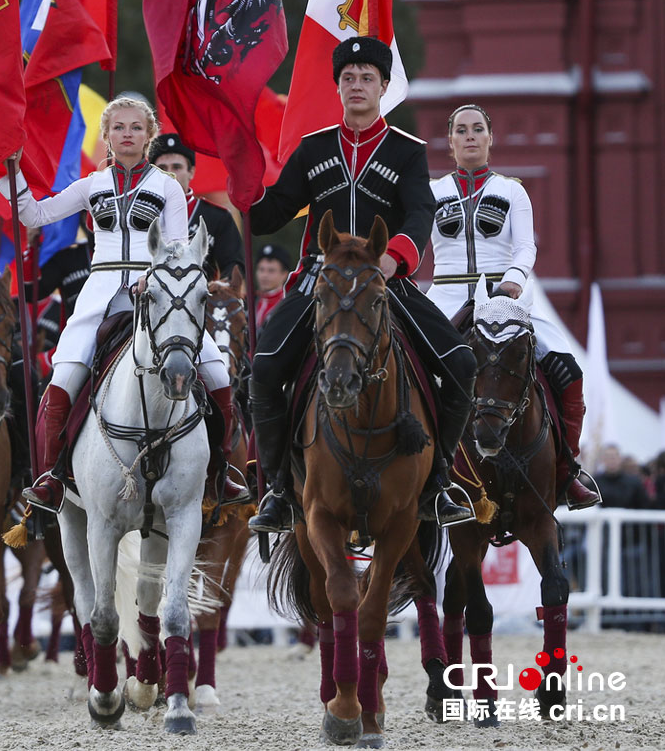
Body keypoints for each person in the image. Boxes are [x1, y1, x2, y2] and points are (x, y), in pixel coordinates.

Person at [246, 37, 477, 532]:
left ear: (384, 86)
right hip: (319, 280)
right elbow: (269, 216)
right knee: (263, 369)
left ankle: (438, 483)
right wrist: (244, 181)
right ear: (338, 86)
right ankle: (279, 492)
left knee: (461, 364)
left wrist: (397, 256)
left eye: (366, 78)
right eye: (348, 78)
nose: (357, 86)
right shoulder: (313, 149)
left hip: (383, 280)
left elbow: (420, 211)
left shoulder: (407, 151)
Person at [0, 96, 247, 513]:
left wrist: (155, 275)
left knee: (215, 367)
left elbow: (177, 247)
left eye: (135, 127)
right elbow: (35, 215)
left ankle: (223, 471)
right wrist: (12, 174)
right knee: (65, 371)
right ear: (107, 137)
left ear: (149, 135)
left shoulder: (167, 186)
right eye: (118, 128)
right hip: (100, 289)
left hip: (156, 286)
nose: (126, 134)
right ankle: (50, 478)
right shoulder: (90, 185)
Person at [426, 103, 600, 510]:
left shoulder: (512, 190)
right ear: (450, 142)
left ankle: (566, 470)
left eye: (478, 129)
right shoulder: (432, 192)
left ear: (491, 138)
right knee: (409, 368)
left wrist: (513, 281)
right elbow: (414, 244)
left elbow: (525, 246)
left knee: (566, 369)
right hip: (446, 294)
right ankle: (420, 472)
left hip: (505, 296)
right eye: (462, 130)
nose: (470, 136)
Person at [148, 132, 246, 281]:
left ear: (191, 172)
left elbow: (233, 266)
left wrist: (223, 290)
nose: (170, 174)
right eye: (162, 167)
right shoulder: (138, 213)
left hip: (200, 300)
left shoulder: (218, 217)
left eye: (177, 167)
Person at [254, 243, 290, 331]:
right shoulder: (248, 301)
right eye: (261, 270)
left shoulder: (288, 303)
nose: (264, 275)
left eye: (271, 271)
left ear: (284, 274)